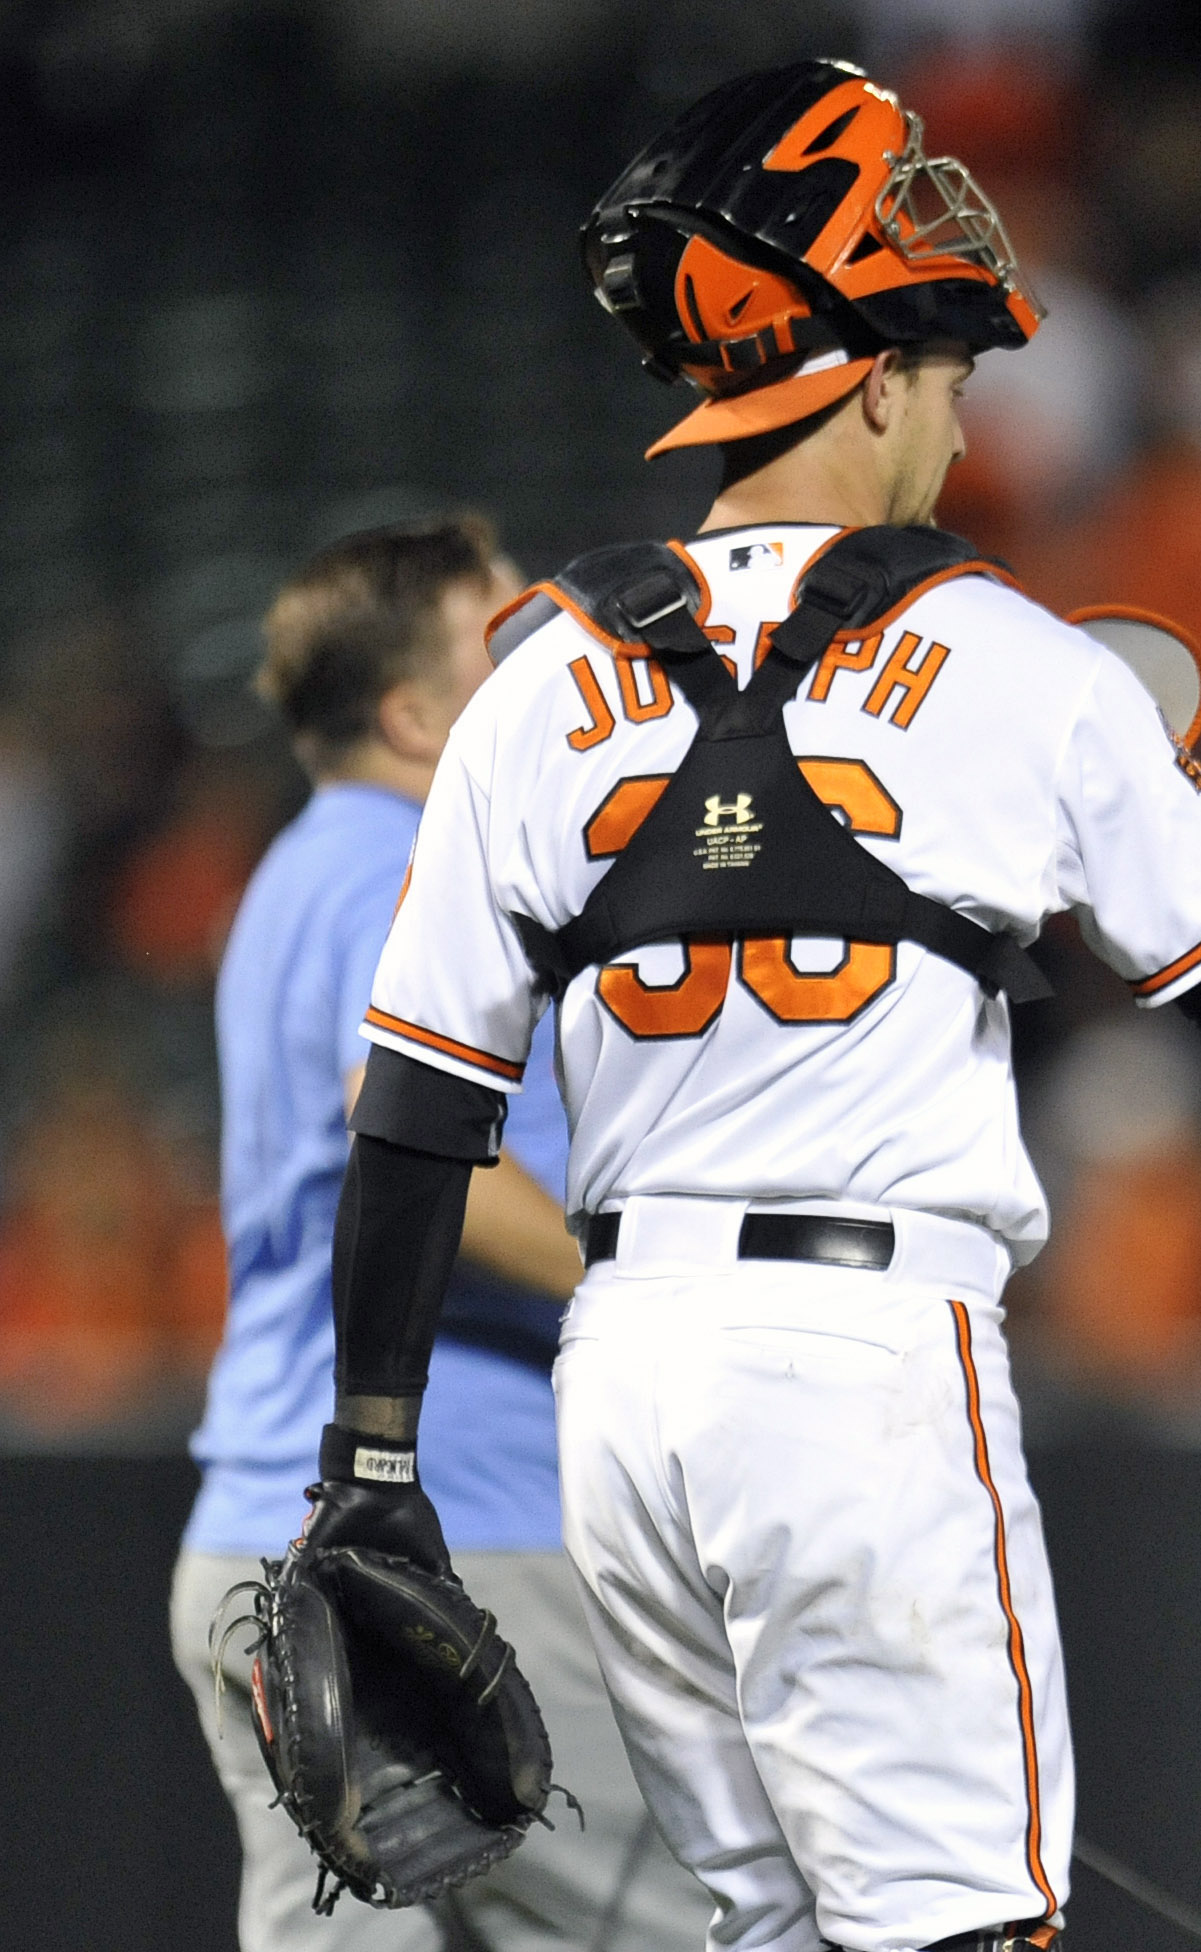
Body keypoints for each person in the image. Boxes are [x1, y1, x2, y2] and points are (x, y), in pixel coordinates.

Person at [292, 62, 1201, 1952]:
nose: (960, 426)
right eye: (951, 375)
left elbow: (412, 1113)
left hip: (625, 1385)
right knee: (965, 1929)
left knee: (767, 1929)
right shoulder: (1014, 666)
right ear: (873, 376)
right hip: (864, 1359)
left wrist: (369, 1462)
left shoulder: (534, 683)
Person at [173, 515, 711, 1951]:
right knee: (677, 1930)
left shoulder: (301, 867)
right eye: (504, 646)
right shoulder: (393, 865)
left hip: (259, 1534)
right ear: (416, 714)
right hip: (451, 1531)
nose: (549, 670)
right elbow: (412, 1145)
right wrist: (638, 1296)